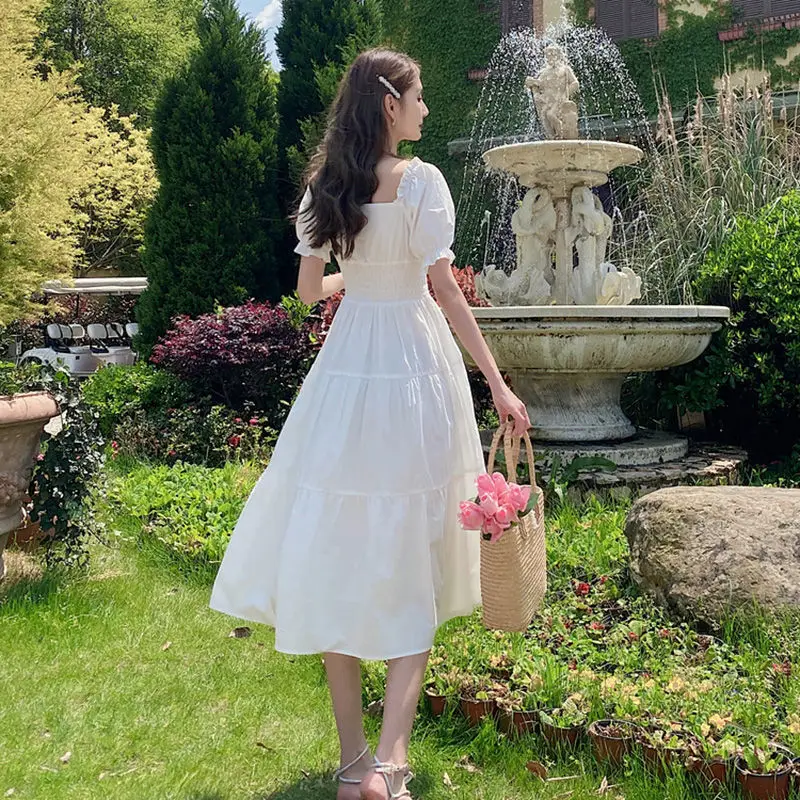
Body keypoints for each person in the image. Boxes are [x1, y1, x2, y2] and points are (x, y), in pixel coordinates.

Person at [210, 47, 530, 800]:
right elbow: (445, 290)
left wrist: (360, 274)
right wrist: (497, 383)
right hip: (415, 366)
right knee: (416, 551)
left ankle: (354, 765)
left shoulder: (327, 187)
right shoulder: (421, 182)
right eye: (418, 98)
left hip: (348, 372)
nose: (425, 110)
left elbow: (308, 290)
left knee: (341, 551)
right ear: (391, 104)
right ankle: (393, 762)